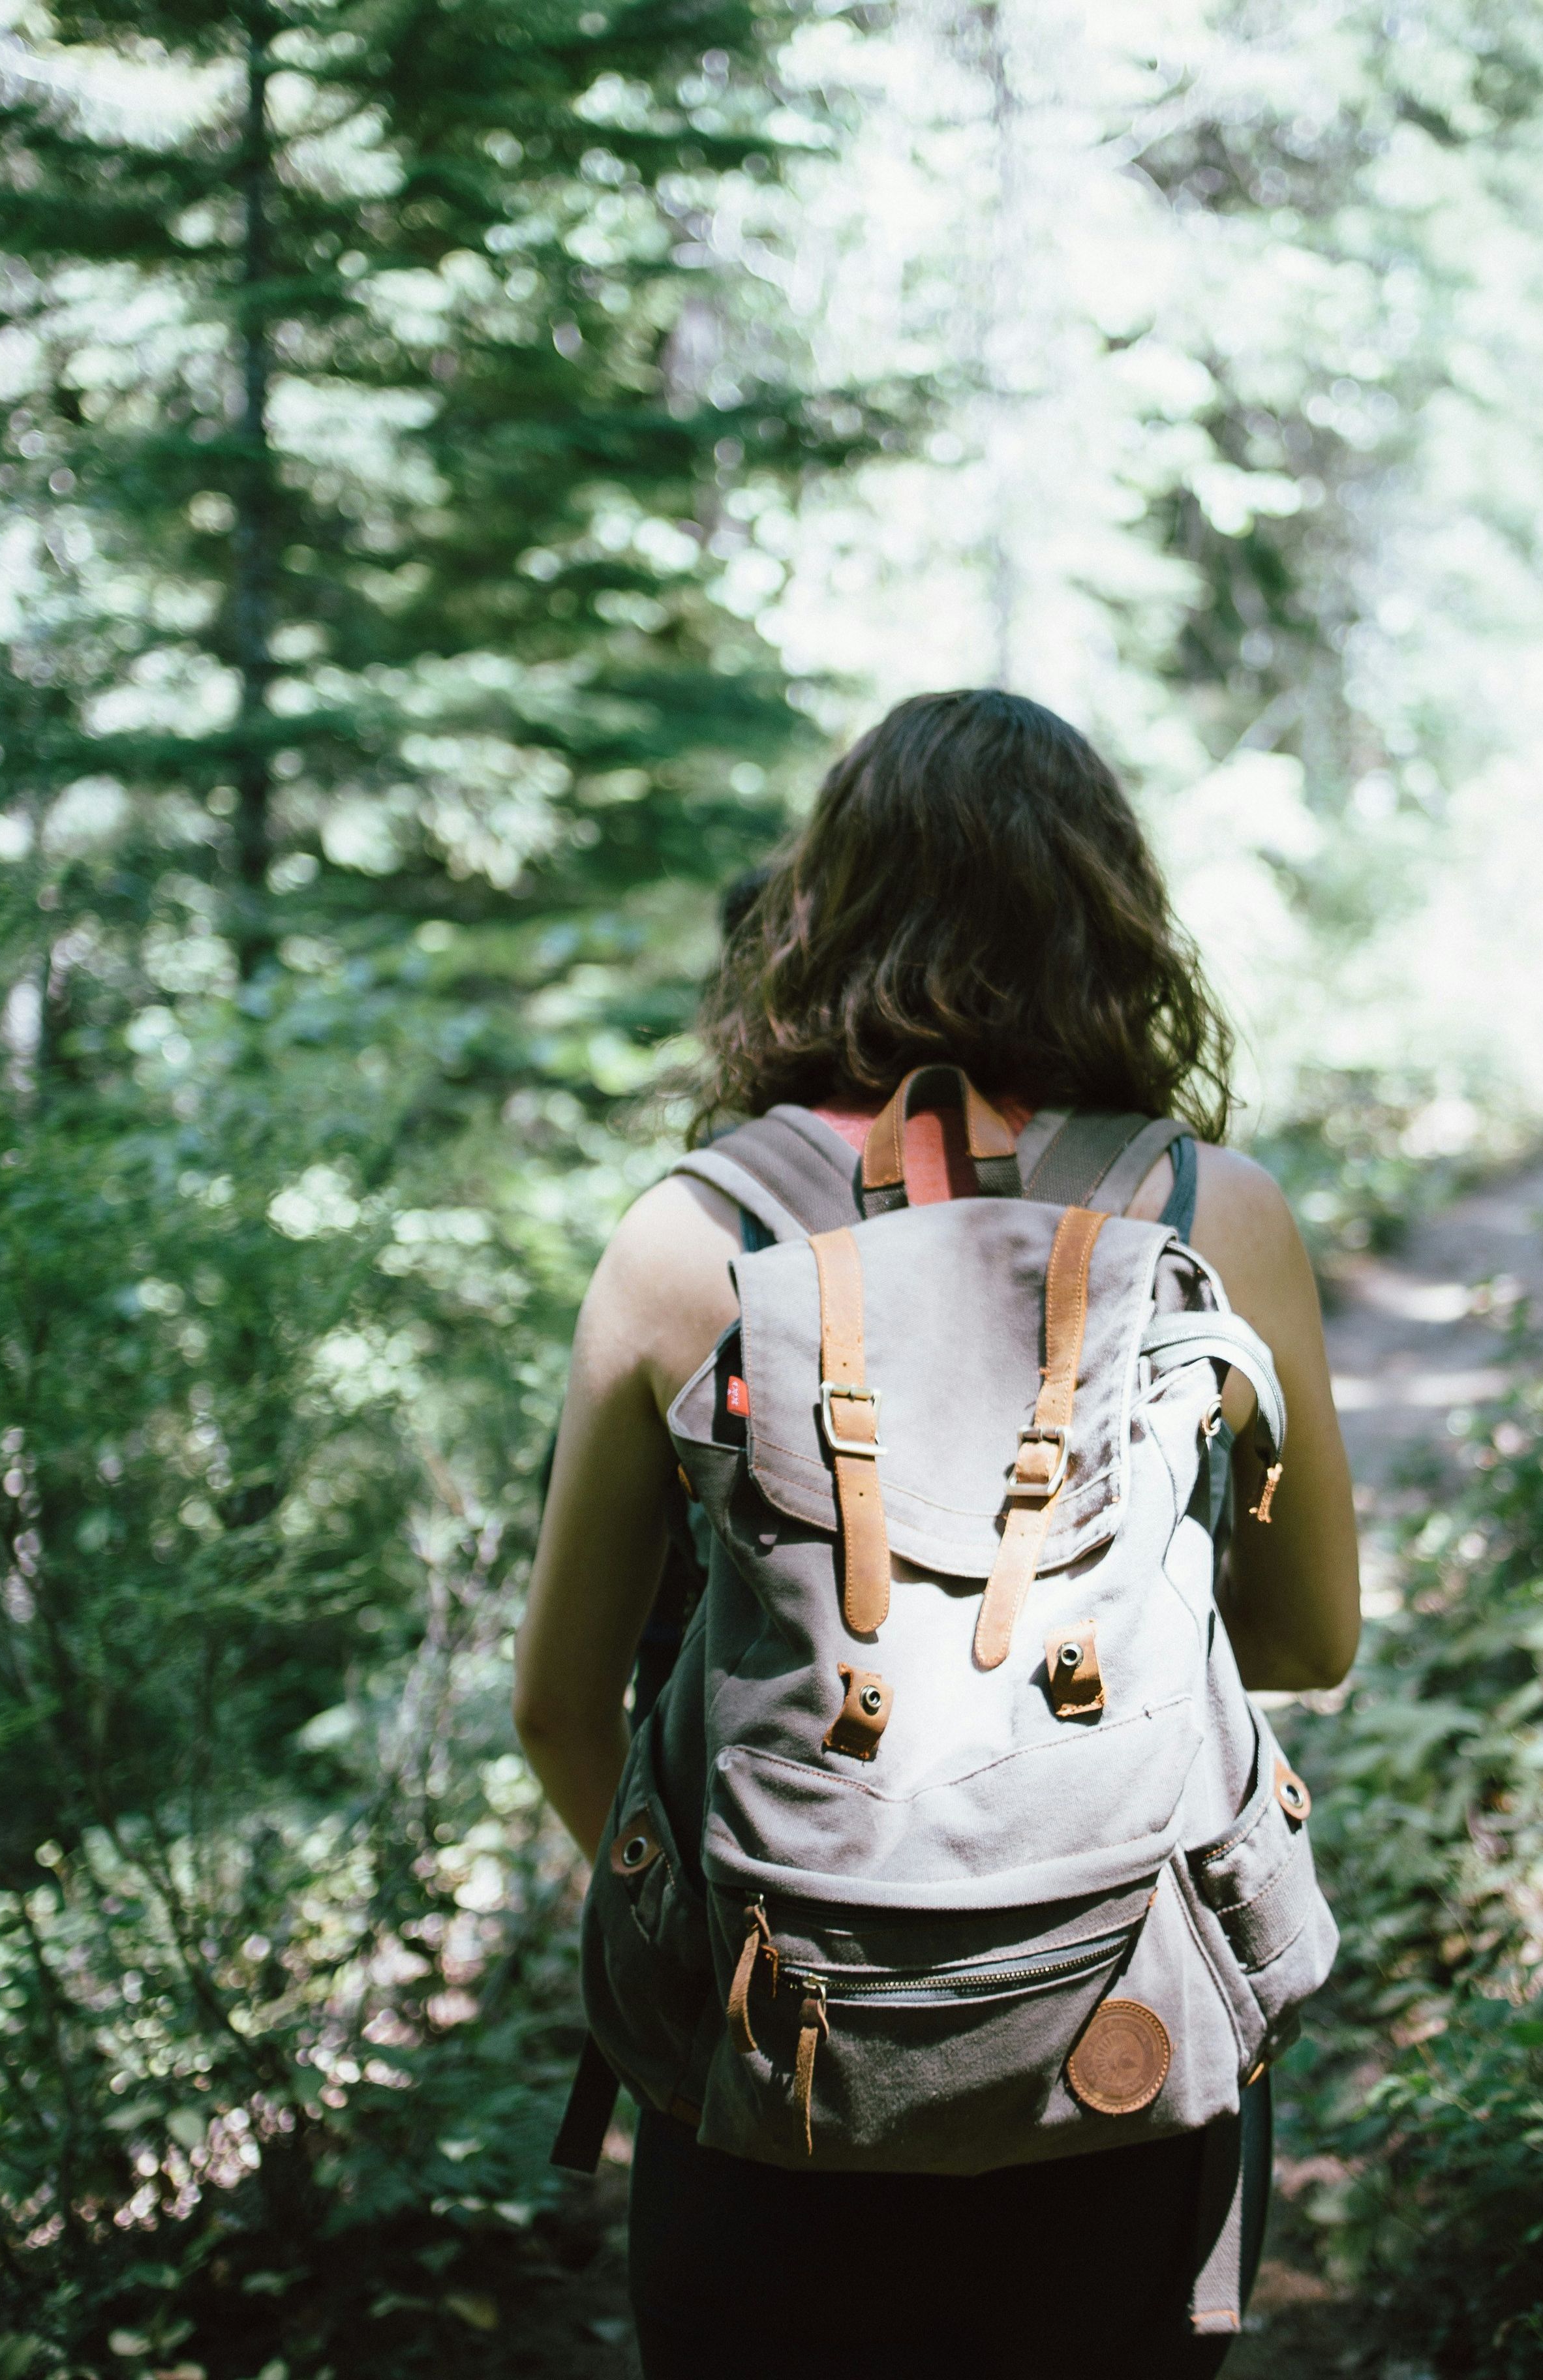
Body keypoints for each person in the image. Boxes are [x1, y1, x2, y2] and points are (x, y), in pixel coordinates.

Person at [513, 688, 1360, 2378]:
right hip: (1122, 2060)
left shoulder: (693, 1240)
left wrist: (739, 1932)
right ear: (1108, 918)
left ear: (823, 914)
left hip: (774, 2081)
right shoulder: (1211, 1213)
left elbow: (560, 1702)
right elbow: (1307, 1644)